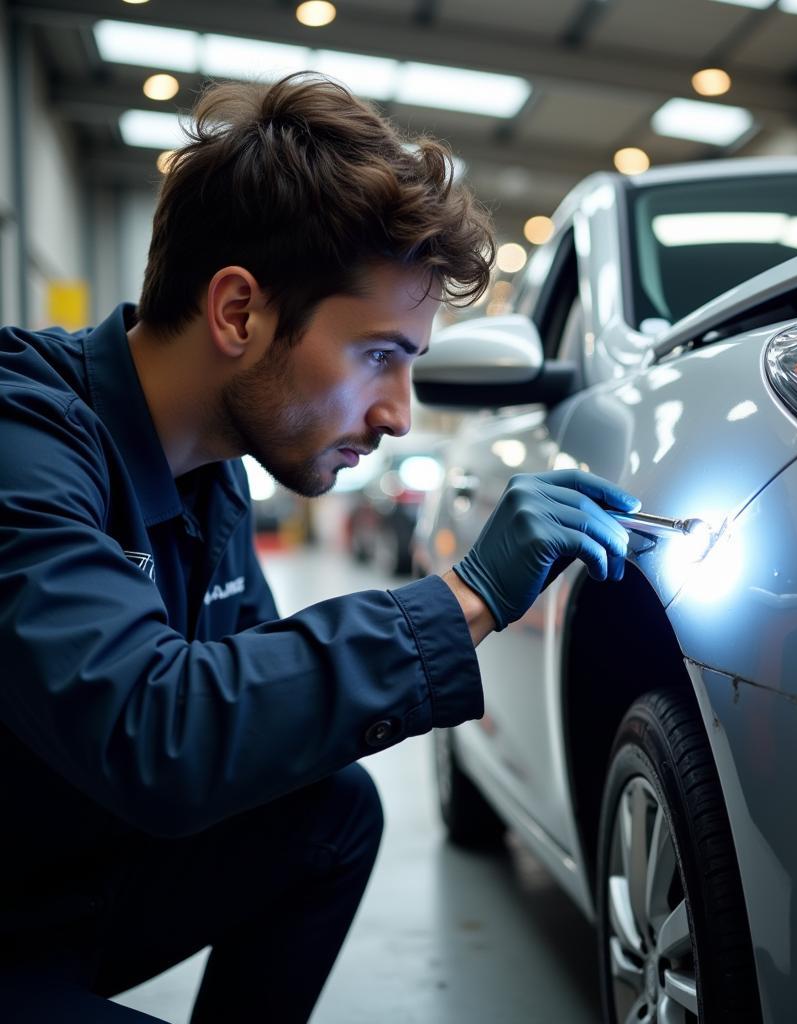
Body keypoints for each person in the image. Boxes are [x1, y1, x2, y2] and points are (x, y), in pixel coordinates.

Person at [0, 74, 638, 1022]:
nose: (396, 414)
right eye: (379, 354)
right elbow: (155, 733)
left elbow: (249, 735)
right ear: (238, 313)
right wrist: (463, 598)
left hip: (58, 889)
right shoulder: (23, 441)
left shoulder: (211, 463)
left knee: (327, 813)